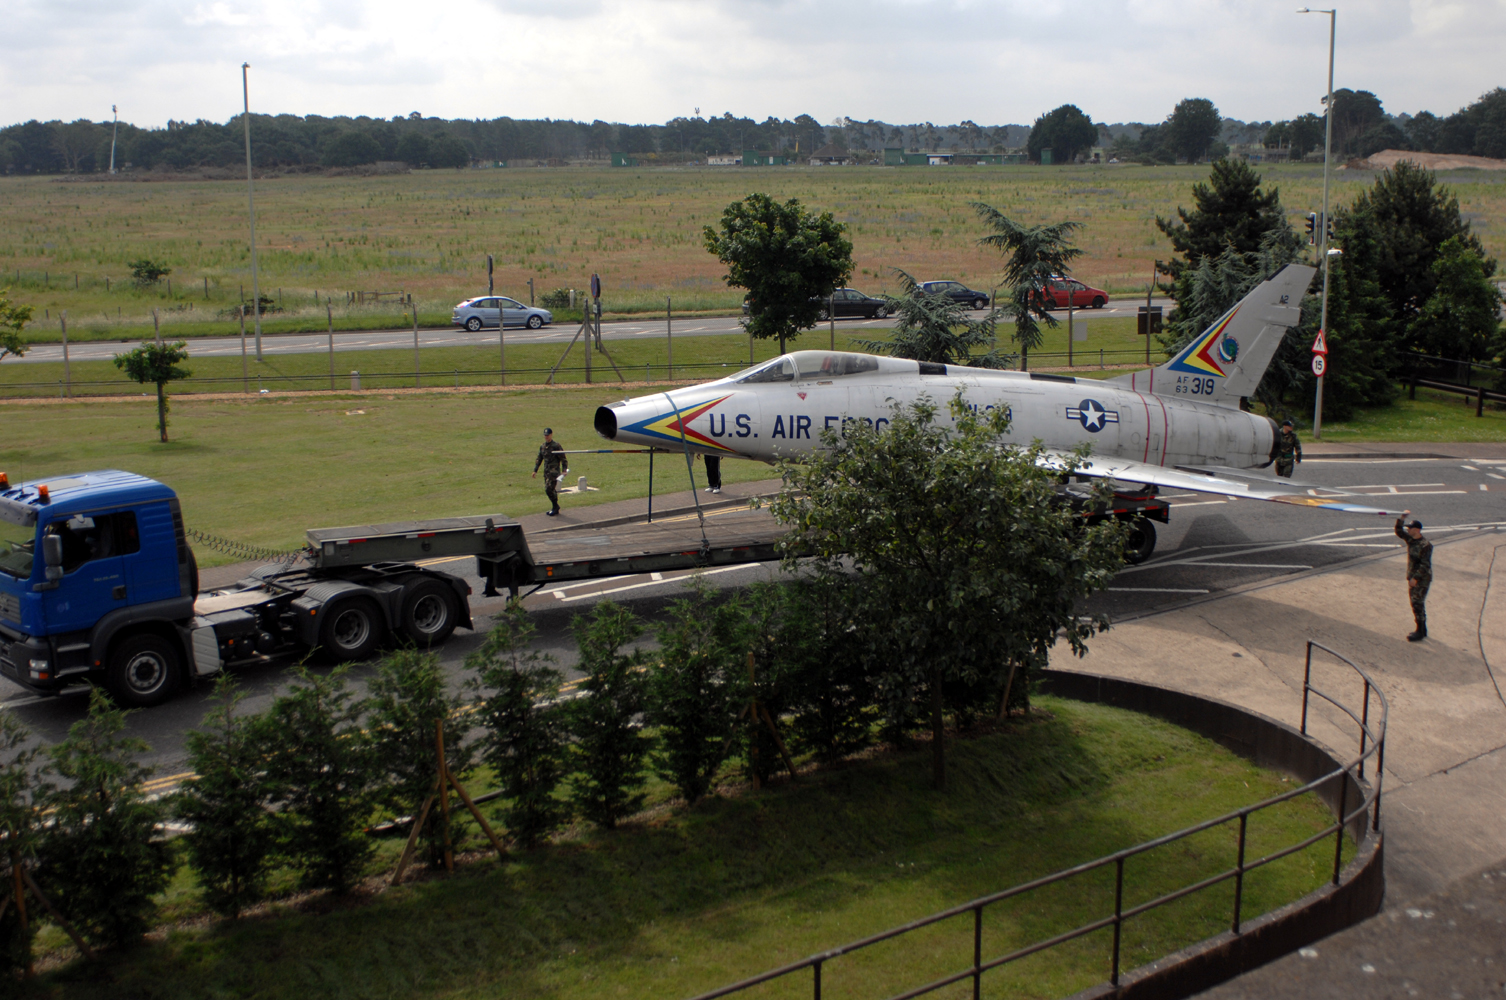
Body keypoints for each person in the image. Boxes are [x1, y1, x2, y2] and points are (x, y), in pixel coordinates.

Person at [1395, 512, 1432, 641]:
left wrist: (1415, 578)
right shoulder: (1411, 540)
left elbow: (1425, 564)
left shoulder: (1425, 545)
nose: (1408, 530)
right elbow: (1399, 532)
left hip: (1422, 579)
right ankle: (1422, 629)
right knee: (1415, 603)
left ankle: (1420, 631)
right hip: (1414, 578)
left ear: (1416, 530)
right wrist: (1401, 519)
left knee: (1417, 603)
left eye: (1410, 528)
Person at [532, 428, 568, 516]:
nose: (546, 437)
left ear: (551, 435)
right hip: (547, 472)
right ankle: (555, 506)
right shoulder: (543, 446)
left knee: (549, 489)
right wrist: (535, 470)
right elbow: (539, 459)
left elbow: (563, 459)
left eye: (548, 435)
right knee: (550, 490)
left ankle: (555, 506)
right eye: (545, 435)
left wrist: (564, 470)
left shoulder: (556, 446)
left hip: (554, 472)